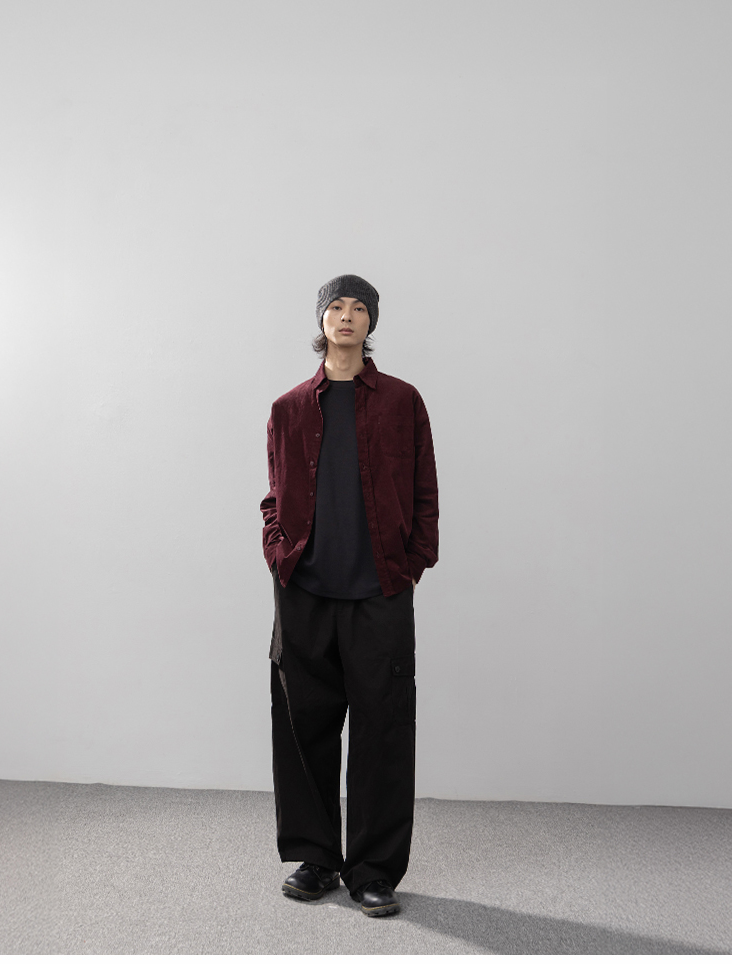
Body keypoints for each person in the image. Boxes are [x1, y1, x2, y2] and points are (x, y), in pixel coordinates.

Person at [259, 273, 439, 917]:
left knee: (382, 729)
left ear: (371, 323)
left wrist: (415, 561)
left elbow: (425, 489)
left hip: (379, 590)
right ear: (321, 320)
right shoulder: (287, 408)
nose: (346, 316)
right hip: (304, 591)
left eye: (359, 307)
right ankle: (315, 858)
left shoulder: (402, 401)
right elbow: (274, 495)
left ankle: (373, 869)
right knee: (303, 726)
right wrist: (279, 552)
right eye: (335, 306)